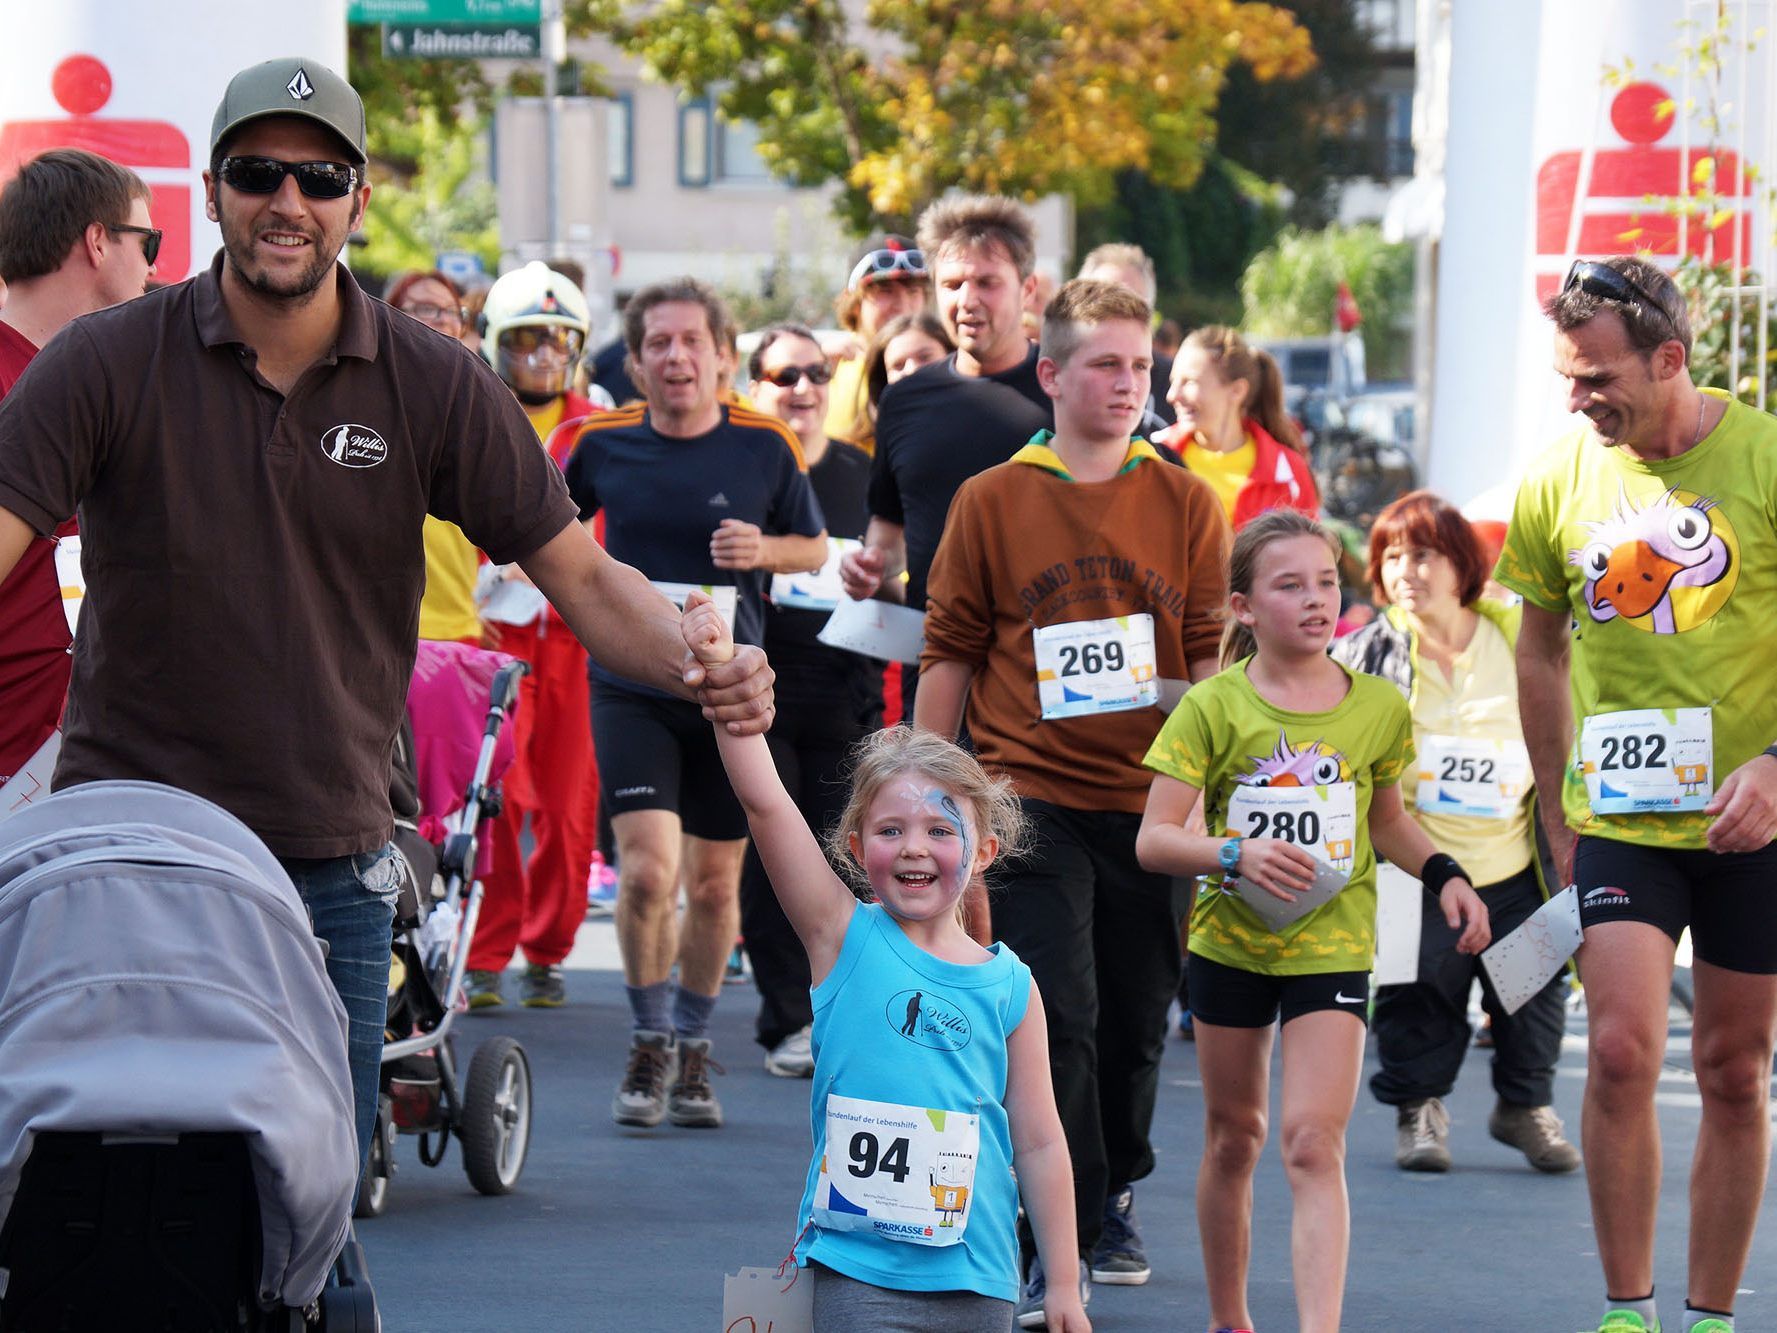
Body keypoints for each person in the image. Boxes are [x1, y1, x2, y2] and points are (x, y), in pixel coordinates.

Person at [0, 58, 777, 1173]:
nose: (289, 201)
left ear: (358, 200)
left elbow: (585, 578)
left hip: (331, 857)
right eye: (259, 171)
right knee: (107, 1186)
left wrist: (706, 668)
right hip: (138, 850)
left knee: (313, 1200)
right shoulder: (107, 360)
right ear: (212, 193)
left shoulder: (435, 381)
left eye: (320, 177)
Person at [916, 280, 1229, 1323]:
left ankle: (1118, 1179)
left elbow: (1209, 673)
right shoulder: (993, 499)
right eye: (1104, 363)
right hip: (1027, 794)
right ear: (1049, 374)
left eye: (1138, 365)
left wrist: (1209, 784)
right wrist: (925, 790)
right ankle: (1067, 1227)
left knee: (1141, 1018)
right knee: (1061, 1015)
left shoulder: (1185, 501)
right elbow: (951, 651)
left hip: (1154, 807)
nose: (1126, 382)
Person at [1495, 256, 1777, 1333]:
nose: (1579, 398)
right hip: (1619, 818)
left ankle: (1709, 1315)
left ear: (1669, 359)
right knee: (1618, 1048)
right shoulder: (1558, 475)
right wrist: (1555, 812)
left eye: (1597, 377)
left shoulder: (1759, 454)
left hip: (1752, 822)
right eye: (1567, 379)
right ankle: (1626, 1311)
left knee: (1731, 1066)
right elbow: (1536, 648)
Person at [680, 594, 1089, 1333]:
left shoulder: (1009, 986)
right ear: (854, 842)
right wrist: (721, 679)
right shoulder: (842, 936)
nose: (912, 847)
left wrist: (1060, 1279)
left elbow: (1038, 1138)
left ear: (983, 851)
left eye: (940, 828)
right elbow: (767, 803)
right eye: (890, 828)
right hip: (855, 1270)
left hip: (982, 1275)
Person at [1136, 508, 1488, 1333]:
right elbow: (1155, 839)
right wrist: (1232, 854)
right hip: (1230, 944)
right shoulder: (1212, 707)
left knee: (1307, 1141)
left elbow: (1388, 819)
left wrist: (1445, 874)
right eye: (1288, 584)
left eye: (1326, 581)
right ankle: (1230, 1319)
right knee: (1236, 1136)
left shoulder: (1376, 706)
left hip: (1329, 946)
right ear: (1243, 608)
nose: (1315, 599)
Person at [563, 277, 827, 1130]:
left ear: (722, 355)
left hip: (726, 686)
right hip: (632, 683)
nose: (677, 358)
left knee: (715, 889)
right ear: (635, 362)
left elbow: (813, 544)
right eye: (659, 345)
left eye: (692, 343)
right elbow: (556, 538)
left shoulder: (764, 444)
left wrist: (767, 546)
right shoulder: (601, 443)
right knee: (645, 871)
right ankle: (647, 1040)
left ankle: (692, 1046)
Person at [1332, 490, 1579, 1174]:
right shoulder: (1360, 653)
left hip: (1520, 855)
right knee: (1419, 987)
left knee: (1534, 988)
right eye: (1389, 556)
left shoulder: (1516, 635)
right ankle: (1419, 1112)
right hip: (1414, 862)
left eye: (1423, 554)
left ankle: (1524, 1106)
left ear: (1460, 563)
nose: (1405, 571)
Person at [840, 195, 1052, 720]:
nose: (968, 300)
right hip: (938, 665)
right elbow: (888, 536)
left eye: (987, 282)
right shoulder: (904, 400)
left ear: (1026, 289)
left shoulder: (1064, 387)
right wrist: (870, 569)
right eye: (953, 284)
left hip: (1048, 670)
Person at [464, 261, 606, 1010]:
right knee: (497, 795)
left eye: (556, 341)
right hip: (495, 639)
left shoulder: (599, 428)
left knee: (566, 800)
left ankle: (548, 949)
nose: (541, 356)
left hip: (576, 640)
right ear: (497, 346)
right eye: (525, 341)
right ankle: (487, 949)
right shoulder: (477, 412)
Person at [742, 323, 883, 1077]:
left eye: (816, 373)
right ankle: (784, 1018)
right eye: (783, 375)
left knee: (847, 851)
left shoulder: (862, 470)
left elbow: (898, 573)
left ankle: (841, 1006)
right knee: (771, 860)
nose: (802, 389)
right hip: (761, 686)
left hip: (845, 687)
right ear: (753, 387)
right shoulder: (740, 469)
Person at [0, 148, 156, 786]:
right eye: (148, 242)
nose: (154, 267)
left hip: (84, 767)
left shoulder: (115, 384)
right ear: (98, 242)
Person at [387, 269, 487, 649]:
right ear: (389, 316)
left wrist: (493, 600)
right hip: (379, 633)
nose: (443, 320)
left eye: (453, 312)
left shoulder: (480, 410)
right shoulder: (360, 403)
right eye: (427, 309)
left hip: (457, 629)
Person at [1155, 325, 1318, 531]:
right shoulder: (1153, 455)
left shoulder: (1288, 471)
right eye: (1173, 382)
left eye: (1189, 382)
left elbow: (1310, 557)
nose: (1172, 395)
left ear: (1237, 390)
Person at [825, 233, 930, 441]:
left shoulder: (941, 365)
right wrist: (816, 374)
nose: (901, 304)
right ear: (853, 303)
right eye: (886, 291)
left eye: (913, 291)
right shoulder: (827, 370)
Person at [1075, 242, 1174, 426]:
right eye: (1104, 301)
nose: (1119, 314)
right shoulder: (1060, 376)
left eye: (1132, 303)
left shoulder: (1175, 384)